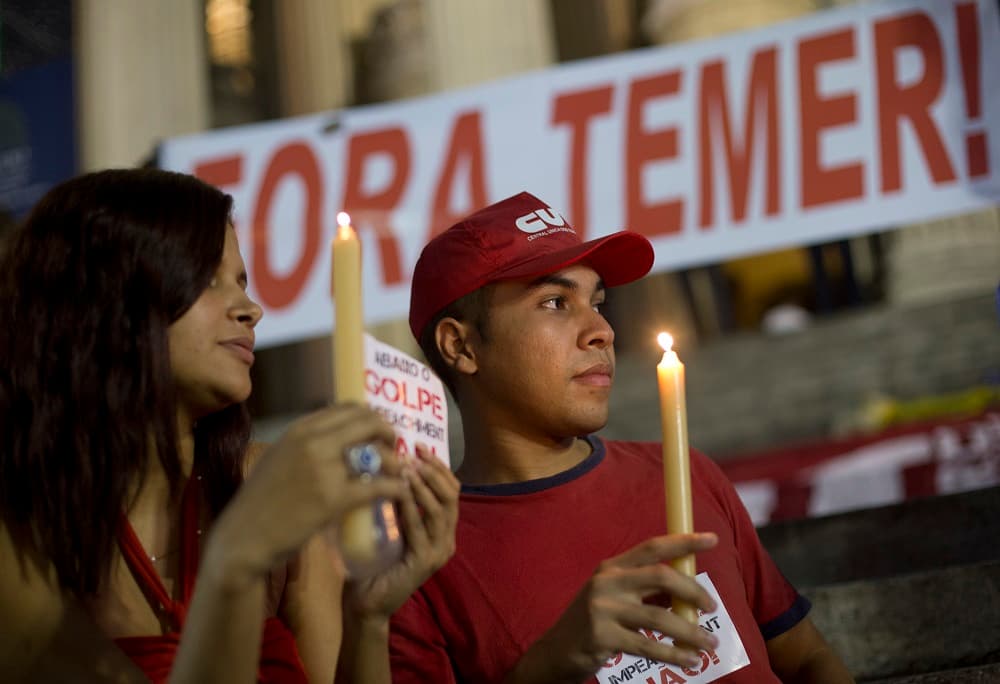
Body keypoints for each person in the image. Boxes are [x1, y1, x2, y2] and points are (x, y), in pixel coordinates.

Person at [0, 168, 459, 683]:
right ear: (104, 300)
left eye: (241, 281)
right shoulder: (20, 535)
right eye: (206, 280)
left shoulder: (262, 483)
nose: (251, 309)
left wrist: (368, 617)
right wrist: (240, 555)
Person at [389, 191, 855, 683]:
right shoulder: (421, 556)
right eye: (555, 302)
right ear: (459, 346)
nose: (602, 331)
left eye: (597, 303)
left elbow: (806, 658)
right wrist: (548, 668)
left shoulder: (685, 472)